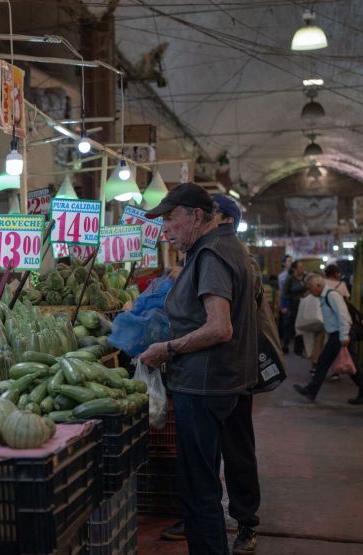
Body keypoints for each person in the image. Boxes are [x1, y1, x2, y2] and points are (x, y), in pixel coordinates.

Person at [139, 183, 258, 555]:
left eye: (172, 219)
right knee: (202, 481)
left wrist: (167, 348)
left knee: (199, 488)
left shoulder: (211, 256)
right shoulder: (229, 248)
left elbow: (220, 327)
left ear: (198, 216)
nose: (165, 230)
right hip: (226, 381)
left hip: (205, 386)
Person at [293, 273, 363, 404]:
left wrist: (344, 336)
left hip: (340, 334)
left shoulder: (332, 296)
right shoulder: (324, 296)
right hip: (336, 335)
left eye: (310, 288)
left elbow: (344, 317)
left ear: (318, 286)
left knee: (333, 363)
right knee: (332, 362)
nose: (310, 291)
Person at [280, 260, 306, 355]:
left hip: (302, 307)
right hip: (290, 307)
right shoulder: (290, 279)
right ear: (295, 269)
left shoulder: (305, 279)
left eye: (303, 267)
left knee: (300, 328)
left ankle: (298, 349)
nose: (303, 269)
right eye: (300, 267)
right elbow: (284, 293)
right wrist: (284, 306)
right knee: (287, 327)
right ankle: (285, 346)